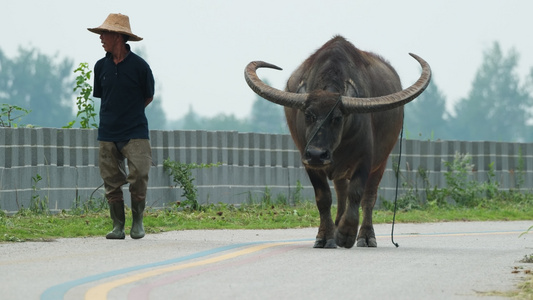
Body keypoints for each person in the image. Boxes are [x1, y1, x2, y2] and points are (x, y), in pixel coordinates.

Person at [88, 13, 155, 239]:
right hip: (107, 132)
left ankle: (138, 222)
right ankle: (118, 226)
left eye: (104, 34)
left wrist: (130, 114)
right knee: (111, 181)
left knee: (139, 176)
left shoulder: (140, 67)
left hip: (135, 132)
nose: (100, 38)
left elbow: (148, 97)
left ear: (117, 36)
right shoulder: (100, 67)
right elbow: (103, 97)